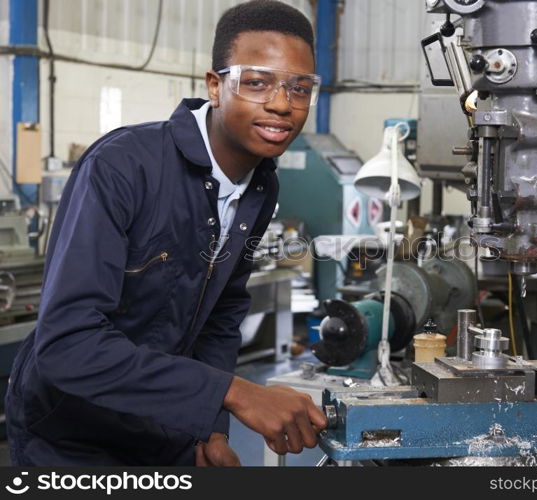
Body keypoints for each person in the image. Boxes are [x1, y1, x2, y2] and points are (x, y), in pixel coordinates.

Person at [5, 0, 327, 466]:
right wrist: (235, 394)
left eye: (300, 88)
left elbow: (221, 314)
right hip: (73, 436)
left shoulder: (261, 185)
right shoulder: (123, 166)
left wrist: (210, 429)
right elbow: (68, 344)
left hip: (167, 426)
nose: (281, 104)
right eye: (256, 82)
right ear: (215, 86)